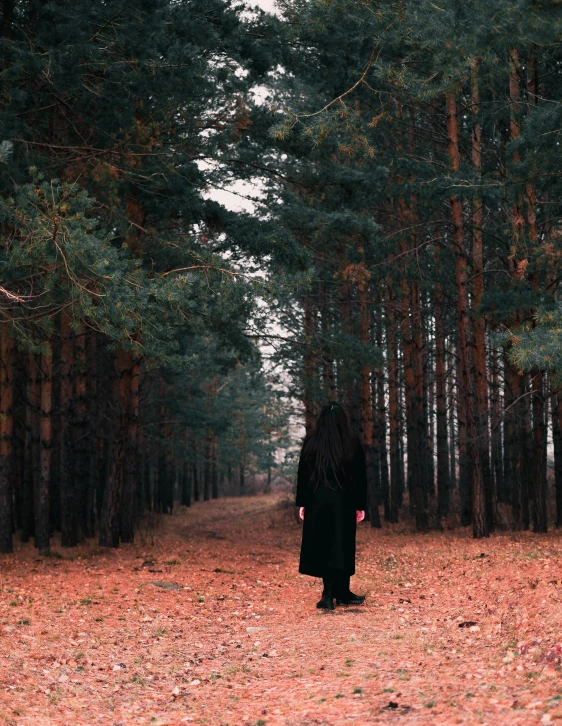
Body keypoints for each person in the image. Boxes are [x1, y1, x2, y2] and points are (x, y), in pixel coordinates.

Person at [295, 401, 367, 610]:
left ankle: (332, 594)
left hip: (318, 502)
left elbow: (303, 475)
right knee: (341, 545)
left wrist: (303, 503)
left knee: (324, 546)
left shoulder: (312, 442)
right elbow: (360, 477)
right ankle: (339, 593)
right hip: (343, 503)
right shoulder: (351, 443)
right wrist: (360, 505)